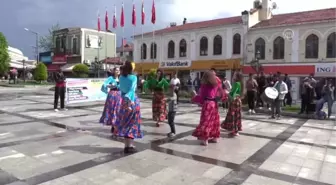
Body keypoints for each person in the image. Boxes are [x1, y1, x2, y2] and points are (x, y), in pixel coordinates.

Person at [114, 61, 143, 153]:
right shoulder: (133, 77)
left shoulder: (121, 77)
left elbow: (121, 89)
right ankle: (129, 146)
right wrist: (129, 101)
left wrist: (125, 99)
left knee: (126, 123)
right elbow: (132, 90)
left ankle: (126, 146)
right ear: (131, 68)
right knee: (132, 124)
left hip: (123, 102)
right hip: (132, 101)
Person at [191, 70, 221, 146]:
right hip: (214, 104)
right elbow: (220, 92)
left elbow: (201, 98)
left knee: (206, 121)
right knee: (214, 121)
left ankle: (205, 139)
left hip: (207, 104)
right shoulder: (216, 84)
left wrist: (194, 97)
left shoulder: (204, 86)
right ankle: (215, 138)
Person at [99, 67, 122, 133]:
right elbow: (104, 84)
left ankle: (117, 126)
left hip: (120, 95)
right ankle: (113, 126)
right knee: (112, 110)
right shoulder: (110, 78)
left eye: (119, 70)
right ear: (114, 71)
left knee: (119, 110)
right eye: (116, 70)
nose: (118, 71)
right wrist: (110, 86)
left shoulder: (121, 78)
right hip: (112, 95)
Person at [221, 71, 243, 137]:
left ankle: (234, 131)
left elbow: (233, 94)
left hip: (234, 102)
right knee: (237, 115)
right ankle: (236, 130)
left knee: (233, 116)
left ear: (237, 77)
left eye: (234, 75)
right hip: (238, 101)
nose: (233, 76)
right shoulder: (240, 83)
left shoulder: (236, 83)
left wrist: (227, 94)